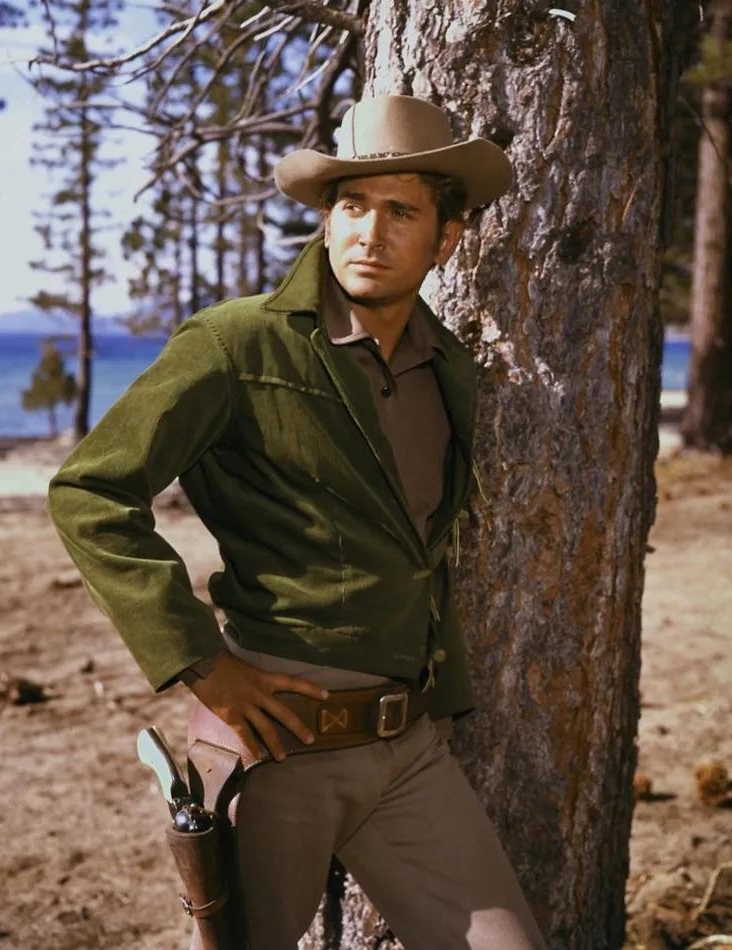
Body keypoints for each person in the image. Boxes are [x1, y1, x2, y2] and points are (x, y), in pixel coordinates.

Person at [48, 94, 548, 949]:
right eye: (352, 206)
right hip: (273, 747)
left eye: (401, 212)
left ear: (447, 238)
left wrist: (440, 692)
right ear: (326, 218)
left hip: (408, 749)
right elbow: (89, 493)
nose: (370, 233)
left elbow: (420, 548)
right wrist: (203, 665)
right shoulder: (236, 343)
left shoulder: (445, 367)